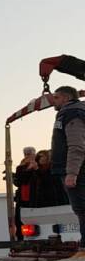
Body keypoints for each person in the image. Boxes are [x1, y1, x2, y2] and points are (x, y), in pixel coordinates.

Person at [50, 86, 85, 248]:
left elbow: (76, 145)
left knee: (82, 207)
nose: (52, 101)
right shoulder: (74, 112)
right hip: (76, 168)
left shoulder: (72, 114)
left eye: (56, 97)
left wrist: (72, 172)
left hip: (77, 170)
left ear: (65, 98)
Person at [12, 146, 38, 239]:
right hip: (22, 198)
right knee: (19, 221)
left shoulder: (38, 166)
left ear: (34, 154)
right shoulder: (20, 167)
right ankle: (20, 242)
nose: (27, 156)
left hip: (34, 197)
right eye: (25, 154)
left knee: (34, 220)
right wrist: (27, 169)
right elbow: (20, 181)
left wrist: (33, 168)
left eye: (29, 154)